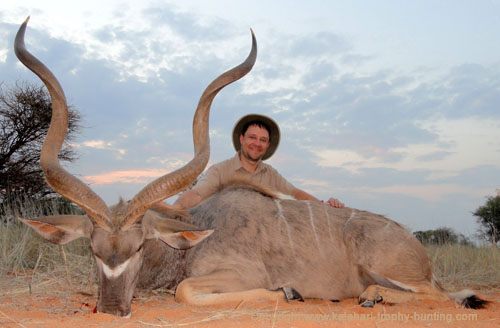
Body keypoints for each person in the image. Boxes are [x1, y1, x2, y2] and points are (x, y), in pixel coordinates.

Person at [173, 114, 344, 209]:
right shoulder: (220, 170)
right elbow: (197, 193)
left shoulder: (270, 174)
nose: (257, 143)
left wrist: (325, 206)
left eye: (263, 140)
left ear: (268, 145)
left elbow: (295, 194)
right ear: (242, 139)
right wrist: (175, 209)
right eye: (252, 137)